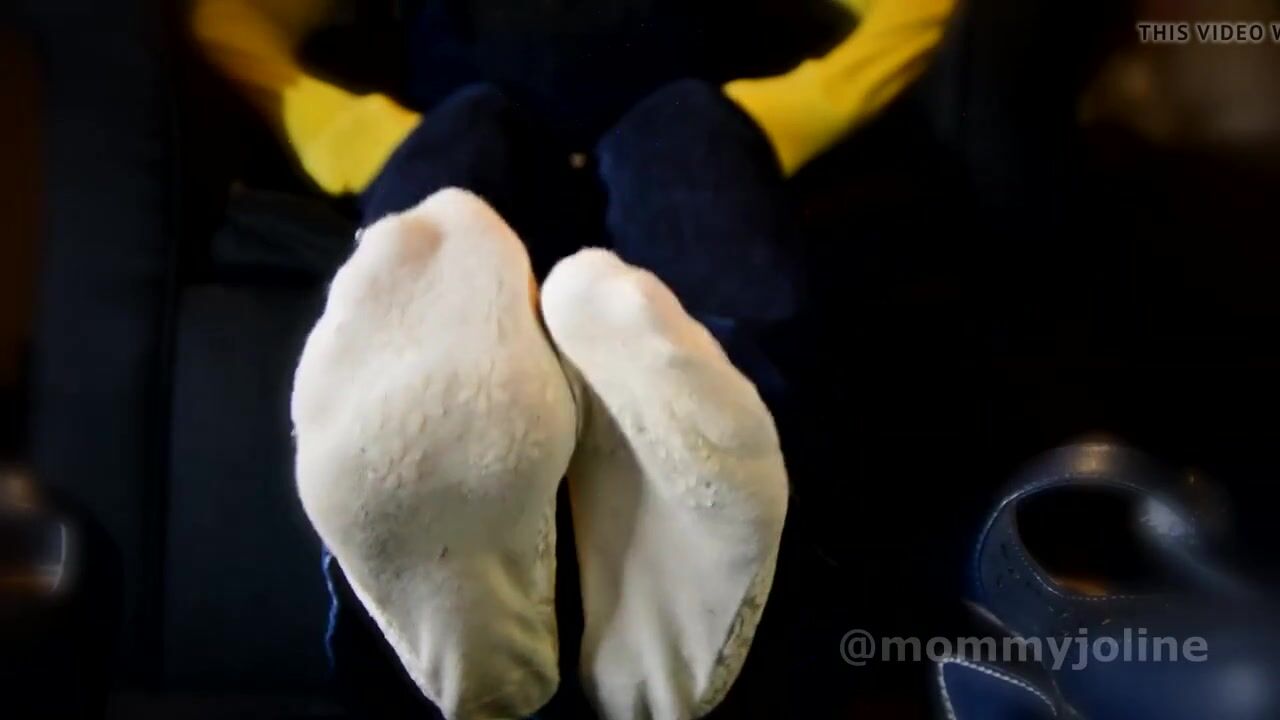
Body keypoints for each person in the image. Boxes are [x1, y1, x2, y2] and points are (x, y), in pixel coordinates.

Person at [193, 1, 956, 717]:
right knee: (459, 183)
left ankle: (472, 642)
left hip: (675, 152)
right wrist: (357, 134)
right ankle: (687, 624)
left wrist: (776, 119)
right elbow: (225, 14)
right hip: (489, 150)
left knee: (680, 140)